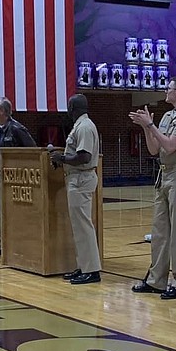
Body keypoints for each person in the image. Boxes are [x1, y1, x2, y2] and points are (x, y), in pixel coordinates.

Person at [129, 76, 176, 300]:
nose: (165, 92)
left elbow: (170, 146)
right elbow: (154, 149)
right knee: (160, 230)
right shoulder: (168, 115)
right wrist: (146, 128)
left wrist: (150, 125)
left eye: (168, 89)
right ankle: (156, 279)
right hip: (164, 173)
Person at [49, 94, 103, 284]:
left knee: (83, 226)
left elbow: (84, 157)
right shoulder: (80, 125)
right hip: (76, 178)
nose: (68, 111)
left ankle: (92, 270)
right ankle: (84, 266)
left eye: (70, 107)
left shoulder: (85, 127)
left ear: (74, 108)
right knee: (79, 227)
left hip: (82, 178)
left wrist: (61, 159)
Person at [0, 97, 36, 255]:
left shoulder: (17, 129)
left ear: (2, 111)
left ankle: (18, 243)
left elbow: (33, 151)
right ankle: (4, 244)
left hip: (14, 177)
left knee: (14, 212)